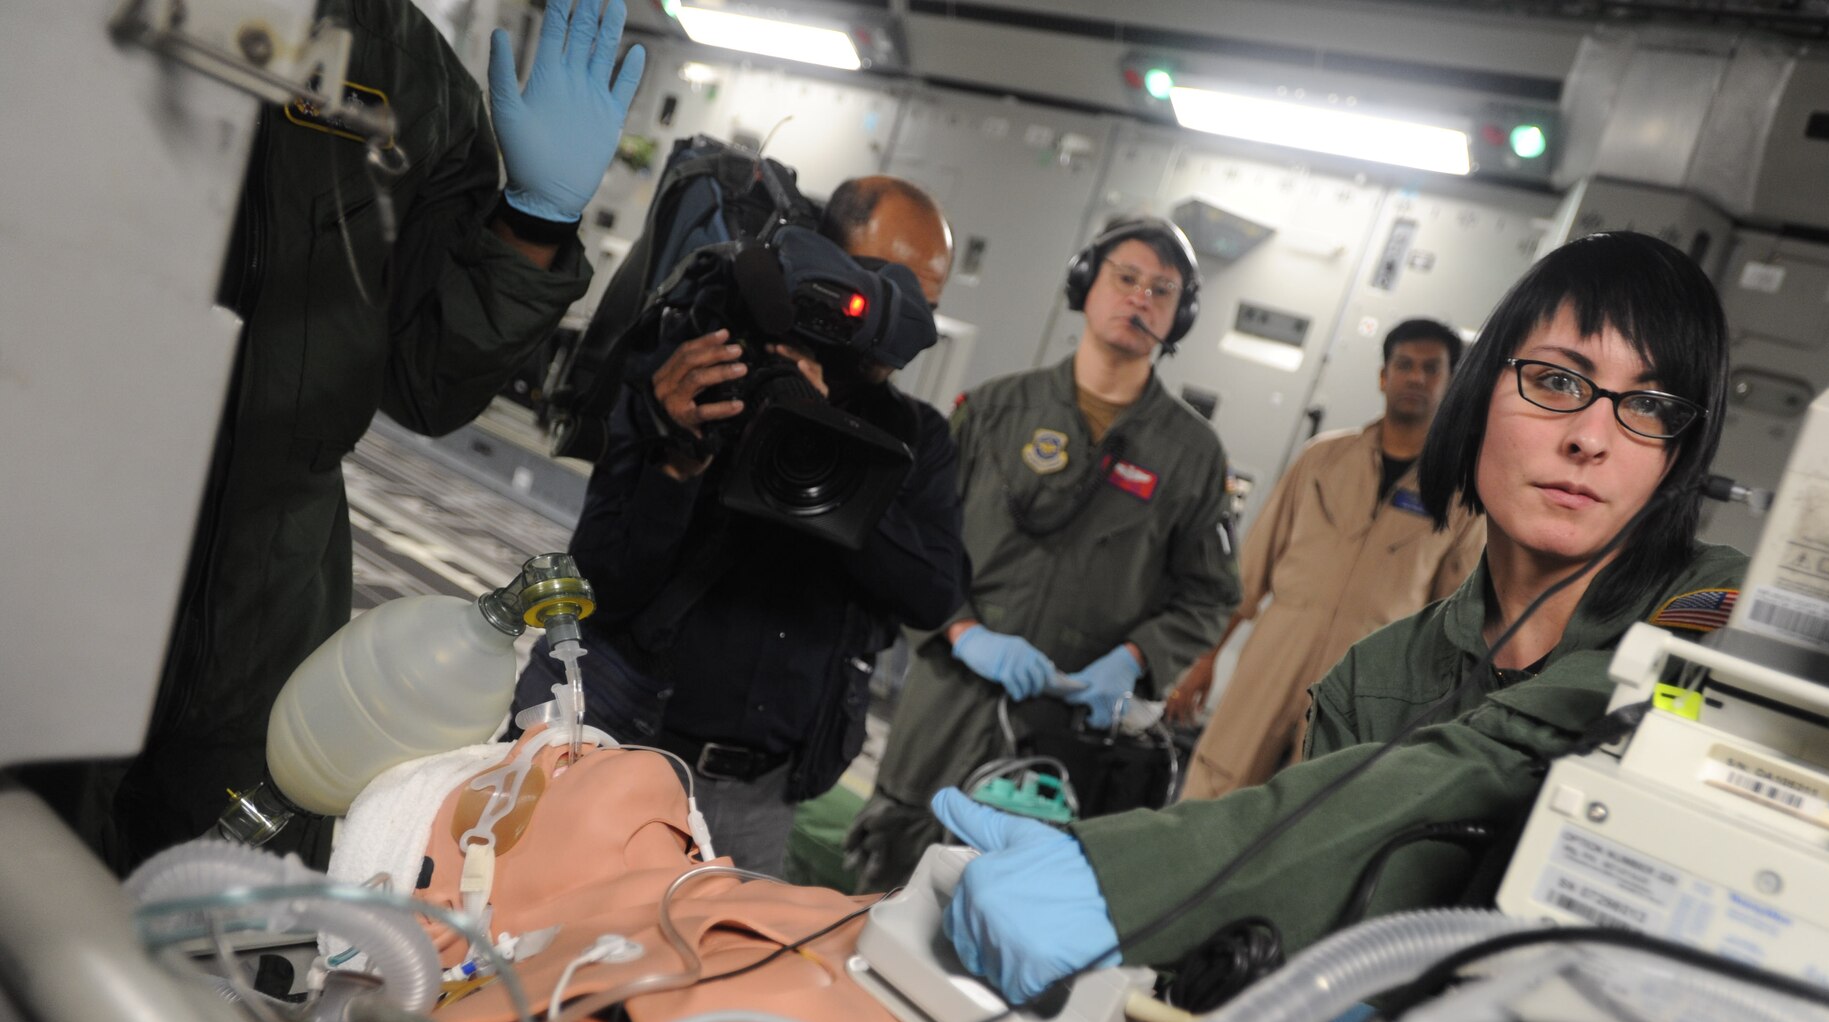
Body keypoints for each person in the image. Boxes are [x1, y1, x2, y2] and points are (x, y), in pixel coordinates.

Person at [925, 231, 1748, 1003]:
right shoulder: (1376, 676)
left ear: (1681, 452)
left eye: (1651, 406)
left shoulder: (1715, 618)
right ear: (1482, 389)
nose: (1593, 438)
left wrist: (1120, 879)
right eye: (1560, 382)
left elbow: (1526, 739)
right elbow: (1313, 918)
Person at [42, 0, 645, 872]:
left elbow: (430, 378)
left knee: (225, 906)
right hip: (57, 523)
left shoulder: (409, 72)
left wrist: (537, 221)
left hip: (273, 575)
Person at [512, 177, 967, 876]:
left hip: (758, 800)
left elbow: (934, 591)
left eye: (927, 308)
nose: (908, 325)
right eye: (890, 289)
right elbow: (602, 580)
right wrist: (675, 459)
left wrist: (834, 451)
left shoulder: (913, 437)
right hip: (614, 744)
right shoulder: (698, 367)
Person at [845, 216, 1240, 891]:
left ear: (1180, 317)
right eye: (1126, 278)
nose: (1140, 298)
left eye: (1162, 290)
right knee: (884, 892)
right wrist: (961, 631)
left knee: (1013, 914)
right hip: (949, 706)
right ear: (1086, 285)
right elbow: (910, 536)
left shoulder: (1193, 456)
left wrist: (1138, 660)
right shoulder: (995, 409)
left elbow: (1210, 594)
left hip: (1069, 737)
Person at [1169, 318, 1483, 800]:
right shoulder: (1322, 461)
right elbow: (1247, 576)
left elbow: (1452, 624)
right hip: (1276, 654)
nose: (1416, 378)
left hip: (1366, 682)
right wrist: (1204, 658)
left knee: (1311, 810)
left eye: (1431, 368)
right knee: (1217, 784)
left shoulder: (1459, 497)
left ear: (1451, 382)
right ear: (1383, 376)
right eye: (1404, 365)